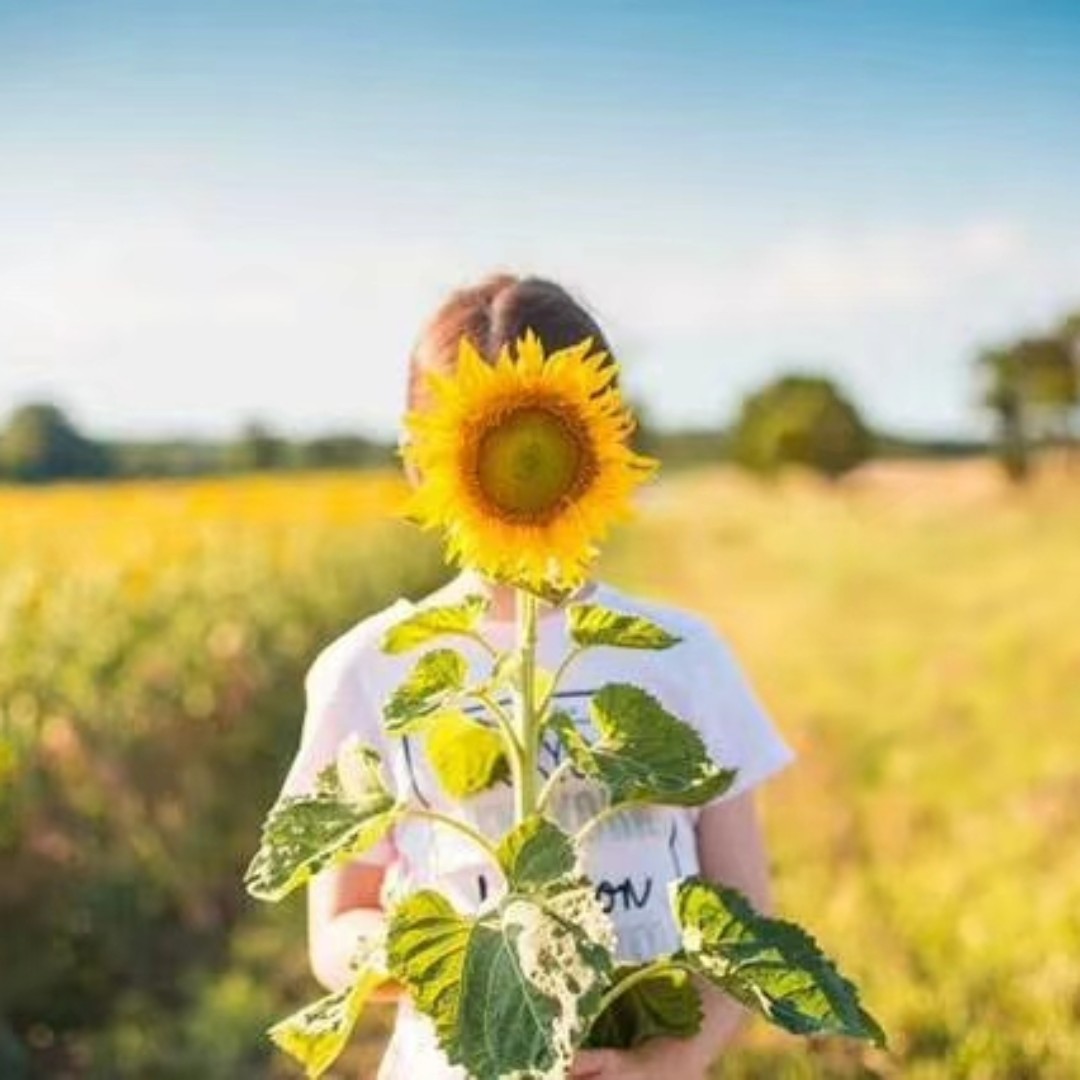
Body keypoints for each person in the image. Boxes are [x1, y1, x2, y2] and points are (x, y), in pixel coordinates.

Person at [276, 274, 797, 1080]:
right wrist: (451, 954)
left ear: (606, 437)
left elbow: (747, 923)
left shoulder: (683, 657)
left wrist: (661, 1067)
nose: (524, 464)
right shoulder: (371, 668)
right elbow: (335, 929)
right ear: (421, 462)